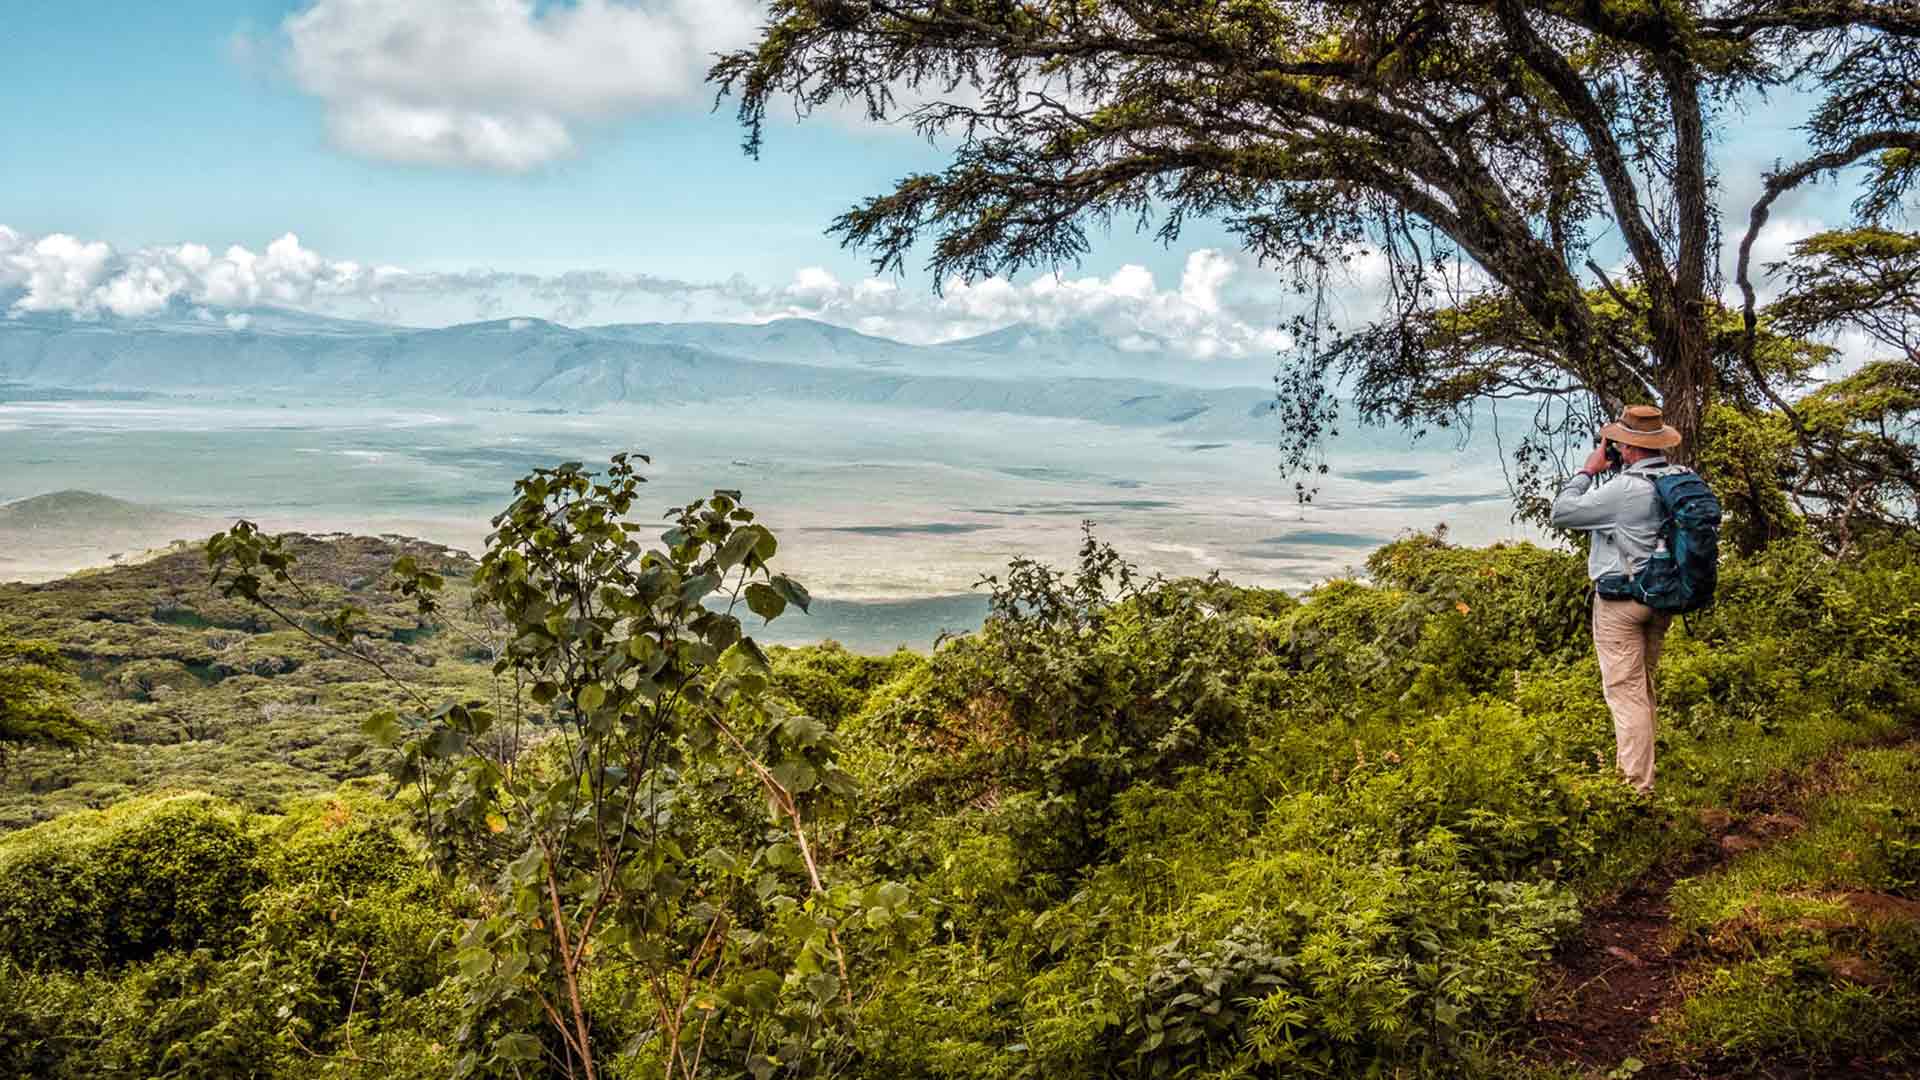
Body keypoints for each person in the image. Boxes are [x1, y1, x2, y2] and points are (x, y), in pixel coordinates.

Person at [1549, 404, 1685, 795]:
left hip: (1621, 604)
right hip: (1660, 597)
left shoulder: (1624, 488)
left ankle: (1634, 792)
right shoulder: (1676, 478)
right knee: (1641, 687)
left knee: (1626, 695)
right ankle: (1638, 771)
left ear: (1627, 447)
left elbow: (1561, 513)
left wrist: (1588, 471)